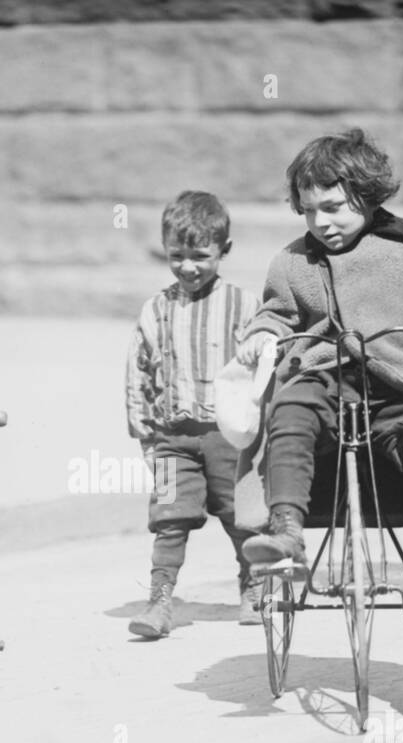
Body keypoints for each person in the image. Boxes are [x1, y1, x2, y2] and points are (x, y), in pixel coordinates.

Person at [238, 130, 403, 614]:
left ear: (368, 194)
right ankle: (286, 532)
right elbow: (277, 313)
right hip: (326, 377)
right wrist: (262, 333)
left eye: (333, 208)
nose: (321, 222)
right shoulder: (293, 261)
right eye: (309, 211)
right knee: (288, 411)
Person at [124, 190, 261, 638]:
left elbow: (264, 368)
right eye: (176, 255)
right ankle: (160, 600)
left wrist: (260, 430)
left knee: (240, 516)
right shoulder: (155, 310)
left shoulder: (245, 306)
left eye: (200, 256)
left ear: (224, 250)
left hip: (229, 437)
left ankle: (254, 587)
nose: (187, 267)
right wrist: (146, 436)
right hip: (172, 439)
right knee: (168, 519)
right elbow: (138, 374)